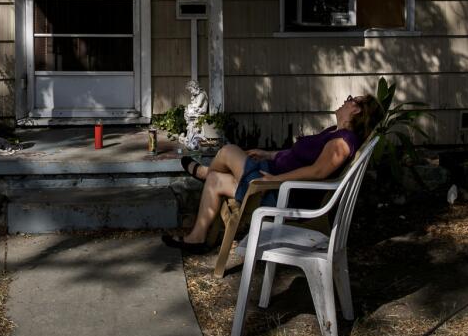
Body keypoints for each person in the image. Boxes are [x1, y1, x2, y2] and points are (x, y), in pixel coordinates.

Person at [162, 94, 380, 253]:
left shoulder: (343, 142)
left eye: (352, 99)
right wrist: (268, 154)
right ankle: (197, 237)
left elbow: (318, 172)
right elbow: (297, 156)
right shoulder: (335, 132)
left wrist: (276, 179)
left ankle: (203, 171)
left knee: (228, 151)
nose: (346, 100)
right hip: (271, 178)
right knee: (216, 180)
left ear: (358, 110)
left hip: (279, 193)